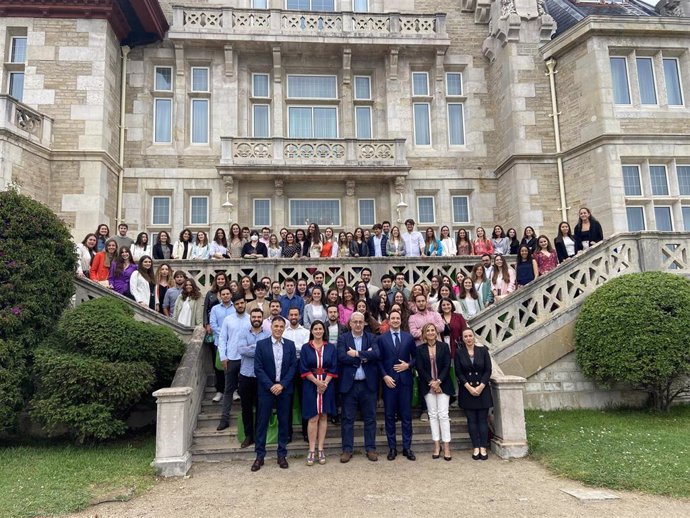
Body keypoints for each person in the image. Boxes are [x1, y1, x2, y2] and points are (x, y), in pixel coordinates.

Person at [251, 317, 298, 471]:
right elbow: (258, 368)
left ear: (284, 328)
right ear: (271, 327)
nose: (278, 329)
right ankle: (259, 456)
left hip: (284, 389)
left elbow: (293, 367)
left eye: (281, 326)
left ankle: (282, 454)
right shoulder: (261, 345)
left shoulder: (290, 345)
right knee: (262, 422)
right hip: (266, 389)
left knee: (284, 422)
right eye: (276, 326)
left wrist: (282, 385)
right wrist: (271, 385)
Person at [337, 312, 380, 463]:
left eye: (360, 322)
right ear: (350, 323)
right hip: (350, 385)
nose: (357, 324)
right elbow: (342, 357)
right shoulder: (343, 338)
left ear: (364, 323)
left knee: (370, 418)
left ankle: (371, 448)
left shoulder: (372, 338)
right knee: (347, 419)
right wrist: (364, 357)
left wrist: (355, 354)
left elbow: (376, 354)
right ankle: (347, 450)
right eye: (355, 322)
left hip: (368, 385)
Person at [378, 310, 416, 461]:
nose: (395, 320)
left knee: (406, 416)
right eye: (392, 318)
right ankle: (392, 447)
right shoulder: (382, 339)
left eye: (397, 318)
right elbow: (379, 360)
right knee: (389, 416)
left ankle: (407, 447)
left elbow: (416, 357)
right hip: (389, 382)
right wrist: (384, 376)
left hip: (405, 381)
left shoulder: (408, 337)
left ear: (401, 320)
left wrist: (408, 365)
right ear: (388, 321)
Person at [300, 320, 338, 465]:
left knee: (323, 417)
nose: (318, 331)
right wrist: (317, 383)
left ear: (324, 331)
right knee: (313, 417)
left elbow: (334, 367)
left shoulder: (330, 348)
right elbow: (303, 368)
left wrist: (324, 383)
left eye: (320, 328)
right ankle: (311, 450)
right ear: (312, 331)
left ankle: (321, 448)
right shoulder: (305, 348)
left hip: (327, 384)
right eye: (315, 329)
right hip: (311, 385)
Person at [417, 323, 455, 460]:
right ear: (424, 333)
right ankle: (436, 445)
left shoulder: (444, 347)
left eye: (433, 330)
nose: (431, 332)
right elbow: (420, 368)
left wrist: (438, 381)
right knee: (432, 415)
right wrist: (431, 383)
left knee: (443, 415)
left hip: (443, 385)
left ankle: (446, 447)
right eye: (428, 330)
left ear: (436, 332)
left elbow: (446, 365)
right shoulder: (420, 349)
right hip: (428, 386)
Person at [455, 328, 493, 461]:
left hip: (483, 390)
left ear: (474, 337)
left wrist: (481, 386)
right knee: (471, 420)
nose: (468, 338)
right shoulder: (459, 353)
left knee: (482, 420)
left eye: (470, 336)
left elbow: (488, 370)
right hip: (467, 391)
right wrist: (469, 387)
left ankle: (483, 446)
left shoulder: (483, 351)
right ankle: (475, 446)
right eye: (465, 336)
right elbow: (459, 372)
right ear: (463, 338)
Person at [237, 307, 270, 449]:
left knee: (261, 407)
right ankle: (248, 435)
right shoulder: (243, 332)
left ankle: (259, 435)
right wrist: (259, 349)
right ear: (251, 318)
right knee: (246, 407)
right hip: (246, 375)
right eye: (254, 317)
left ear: (262, 319)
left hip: (261, 377)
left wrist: (253, 348)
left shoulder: (268, 333)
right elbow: (241, 350)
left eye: (259, 317)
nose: (256, 319)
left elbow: (267, 353)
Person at [217, 294, 250, 431]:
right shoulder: (228, 320)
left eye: (242, 303)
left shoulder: (251, 319)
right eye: (237, 304)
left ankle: (247, 418)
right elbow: (222, 339)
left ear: (245, 303)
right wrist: (223, 357)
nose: (240, 305)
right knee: (228, 389)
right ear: (234, 305)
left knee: (246, 390)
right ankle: (224, 418)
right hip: (231, 359)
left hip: (247, 360)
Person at [283, 307, 310, 442]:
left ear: (299, 316)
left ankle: (306, 432)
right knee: (287, 401)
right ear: (287, 316)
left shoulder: (306, 332)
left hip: (302, 367)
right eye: (291, 314)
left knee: (304, 400)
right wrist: (294, 348)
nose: (293, 317)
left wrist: (291, 348)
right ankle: (288, 433)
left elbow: (305, 349)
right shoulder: (283, 331)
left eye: (296, 315)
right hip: (287, 368)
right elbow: (284, 348)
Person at [209, 285, 235, 403]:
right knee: (219, 367)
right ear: (220, 295)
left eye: (227, 294)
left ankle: (234, 390)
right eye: (223, 294)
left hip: (233, 343)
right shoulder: (215, 309)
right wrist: (225, 333)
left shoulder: (235, 308)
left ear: (231, 295)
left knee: (233, 367)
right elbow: (213, 325)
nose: (225, 296)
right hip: (219, 342)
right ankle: (219, 391)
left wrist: (230, 335)